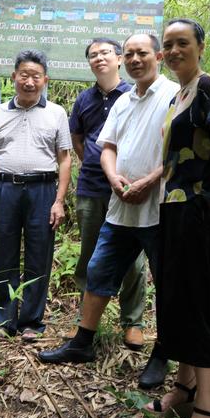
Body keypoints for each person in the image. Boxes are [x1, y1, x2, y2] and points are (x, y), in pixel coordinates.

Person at [39, 34, 178, 390]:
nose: (134, 59)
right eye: (129, 53)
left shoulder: (174, 95)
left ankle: (163, 350)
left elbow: (181, 151)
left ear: (157, 56)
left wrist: (149, 180)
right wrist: (115, 177)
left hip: (161, 208)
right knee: (99, 268)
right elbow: (106, 147)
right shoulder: (124, 101)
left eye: (141, 53)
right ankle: (83, 342)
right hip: (119, 206)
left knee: (167, 280)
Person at [145, 19, 210, 418]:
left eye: (183, 42)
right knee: (176, 298)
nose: (175, 49)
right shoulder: (176, 97)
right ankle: (184, 389)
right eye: (168, 45)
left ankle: (209, 410)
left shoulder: (207, 86)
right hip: (173, 208)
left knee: (196, 303)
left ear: (200, 46)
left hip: (202, 209)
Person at [0, 50, 72, 342]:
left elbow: (64, 159)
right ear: (14, 76)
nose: (29, 81)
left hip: (43, 190)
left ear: (45, 80)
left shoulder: (56, 113)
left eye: (36, 76)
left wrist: (59, 200)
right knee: (3, 253)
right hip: (4, 189)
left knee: (39, 255)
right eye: (24, 75)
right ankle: (4, 320)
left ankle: (31, 321)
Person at [68, 37, 148, 350]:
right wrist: (93, 163)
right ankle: (87, 322)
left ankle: (133, 323)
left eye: (105, 53)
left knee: (132, 260)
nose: (98, 58)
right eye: (92, 55)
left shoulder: (134, 95)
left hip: (128, 189)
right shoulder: (84, 99)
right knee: (89, 256)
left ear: (118, 59)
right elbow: (78, 138)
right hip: (91, 187)